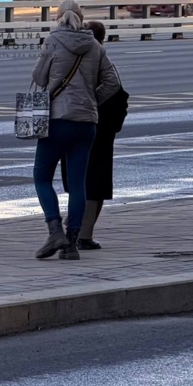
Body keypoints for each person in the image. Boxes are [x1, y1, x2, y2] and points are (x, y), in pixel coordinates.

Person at [31, 0, 121, 260]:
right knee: (78, 183)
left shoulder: (53, 41)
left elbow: (38, 78)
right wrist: (92, 100)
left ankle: (54, 231)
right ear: (81, 18)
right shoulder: (94, 44)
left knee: (42, 177)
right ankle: (71, 243)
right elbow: (112, 82)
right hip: (86, 123)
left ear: (58, 18)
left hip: (57, 120)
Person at [60, 20, 127, 250]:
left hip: (70, 123)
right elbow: (116, 89)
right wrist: (93, 106)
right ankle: (82, 234)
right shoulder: (101, 58)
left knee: (77, 181)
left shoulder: (66, 56)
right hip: (98, 129)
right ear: (102, 39)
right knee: (95, 183)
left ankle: (72, 227)